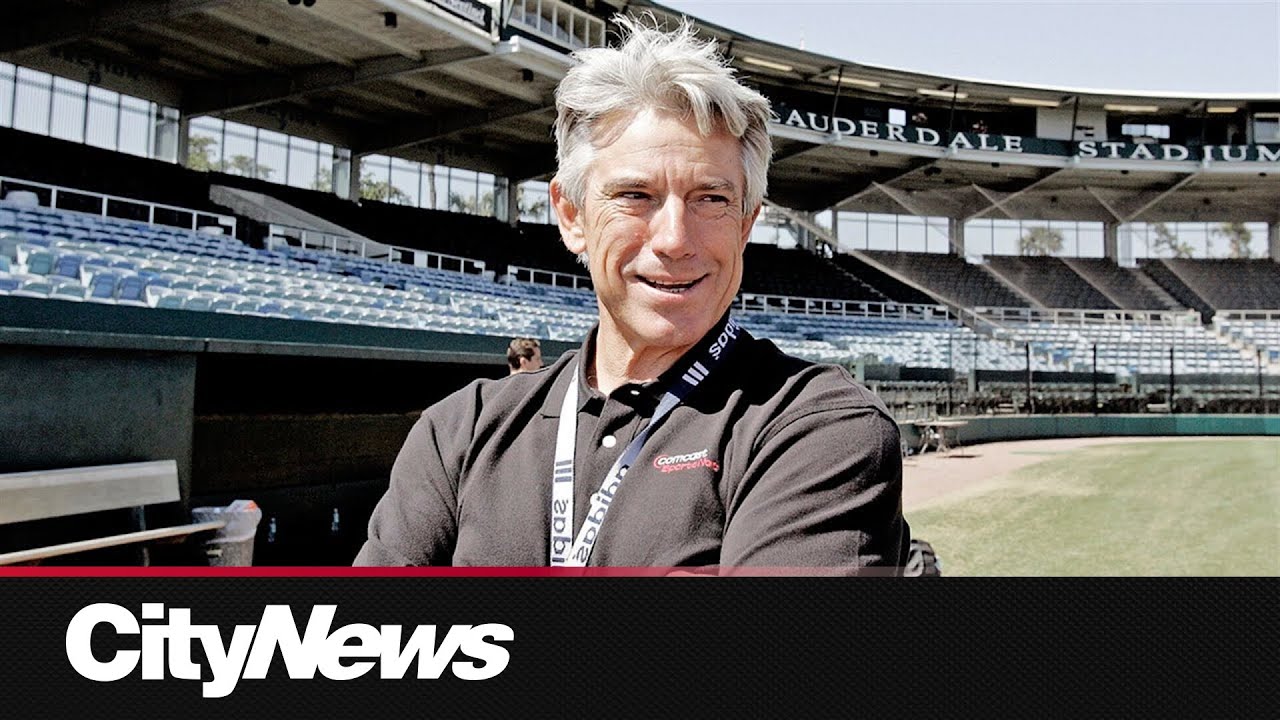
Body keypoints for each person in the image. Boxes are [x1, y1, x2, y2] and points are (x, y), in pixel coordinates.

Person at [354, 15, 909, 573]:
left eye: (711, 199)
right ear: (572, 216)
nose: (675, 240)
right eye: (635, 195)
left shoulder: (817, 426)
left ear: (745, 224)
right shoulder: (460, 429)